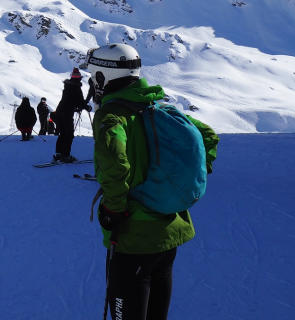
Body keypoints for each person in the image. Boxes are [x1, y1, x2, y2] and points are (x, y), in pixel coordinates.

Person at [90, 43, 218, 320]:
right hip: (169, 230)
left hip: (134, 238)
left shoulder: (112, 117)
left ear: (103, 77)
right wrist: (193, 173)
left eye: (93, 77)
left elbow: (114, 160)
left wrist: (113, 209)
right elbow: (207, 134)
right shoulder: (156, 106)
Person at [53, 68, 86, 162]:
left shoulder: (67, 86)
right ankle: (66, 155)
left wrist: (76, 106)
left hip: (59, 112)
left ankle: (59, 154)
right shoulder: (76, 88)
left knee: (63, 133)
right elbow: (80, 101)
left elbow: (70, 100)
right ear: (79, 78)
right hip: (67, 113)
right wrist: (86, 107)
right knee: (69, 135)